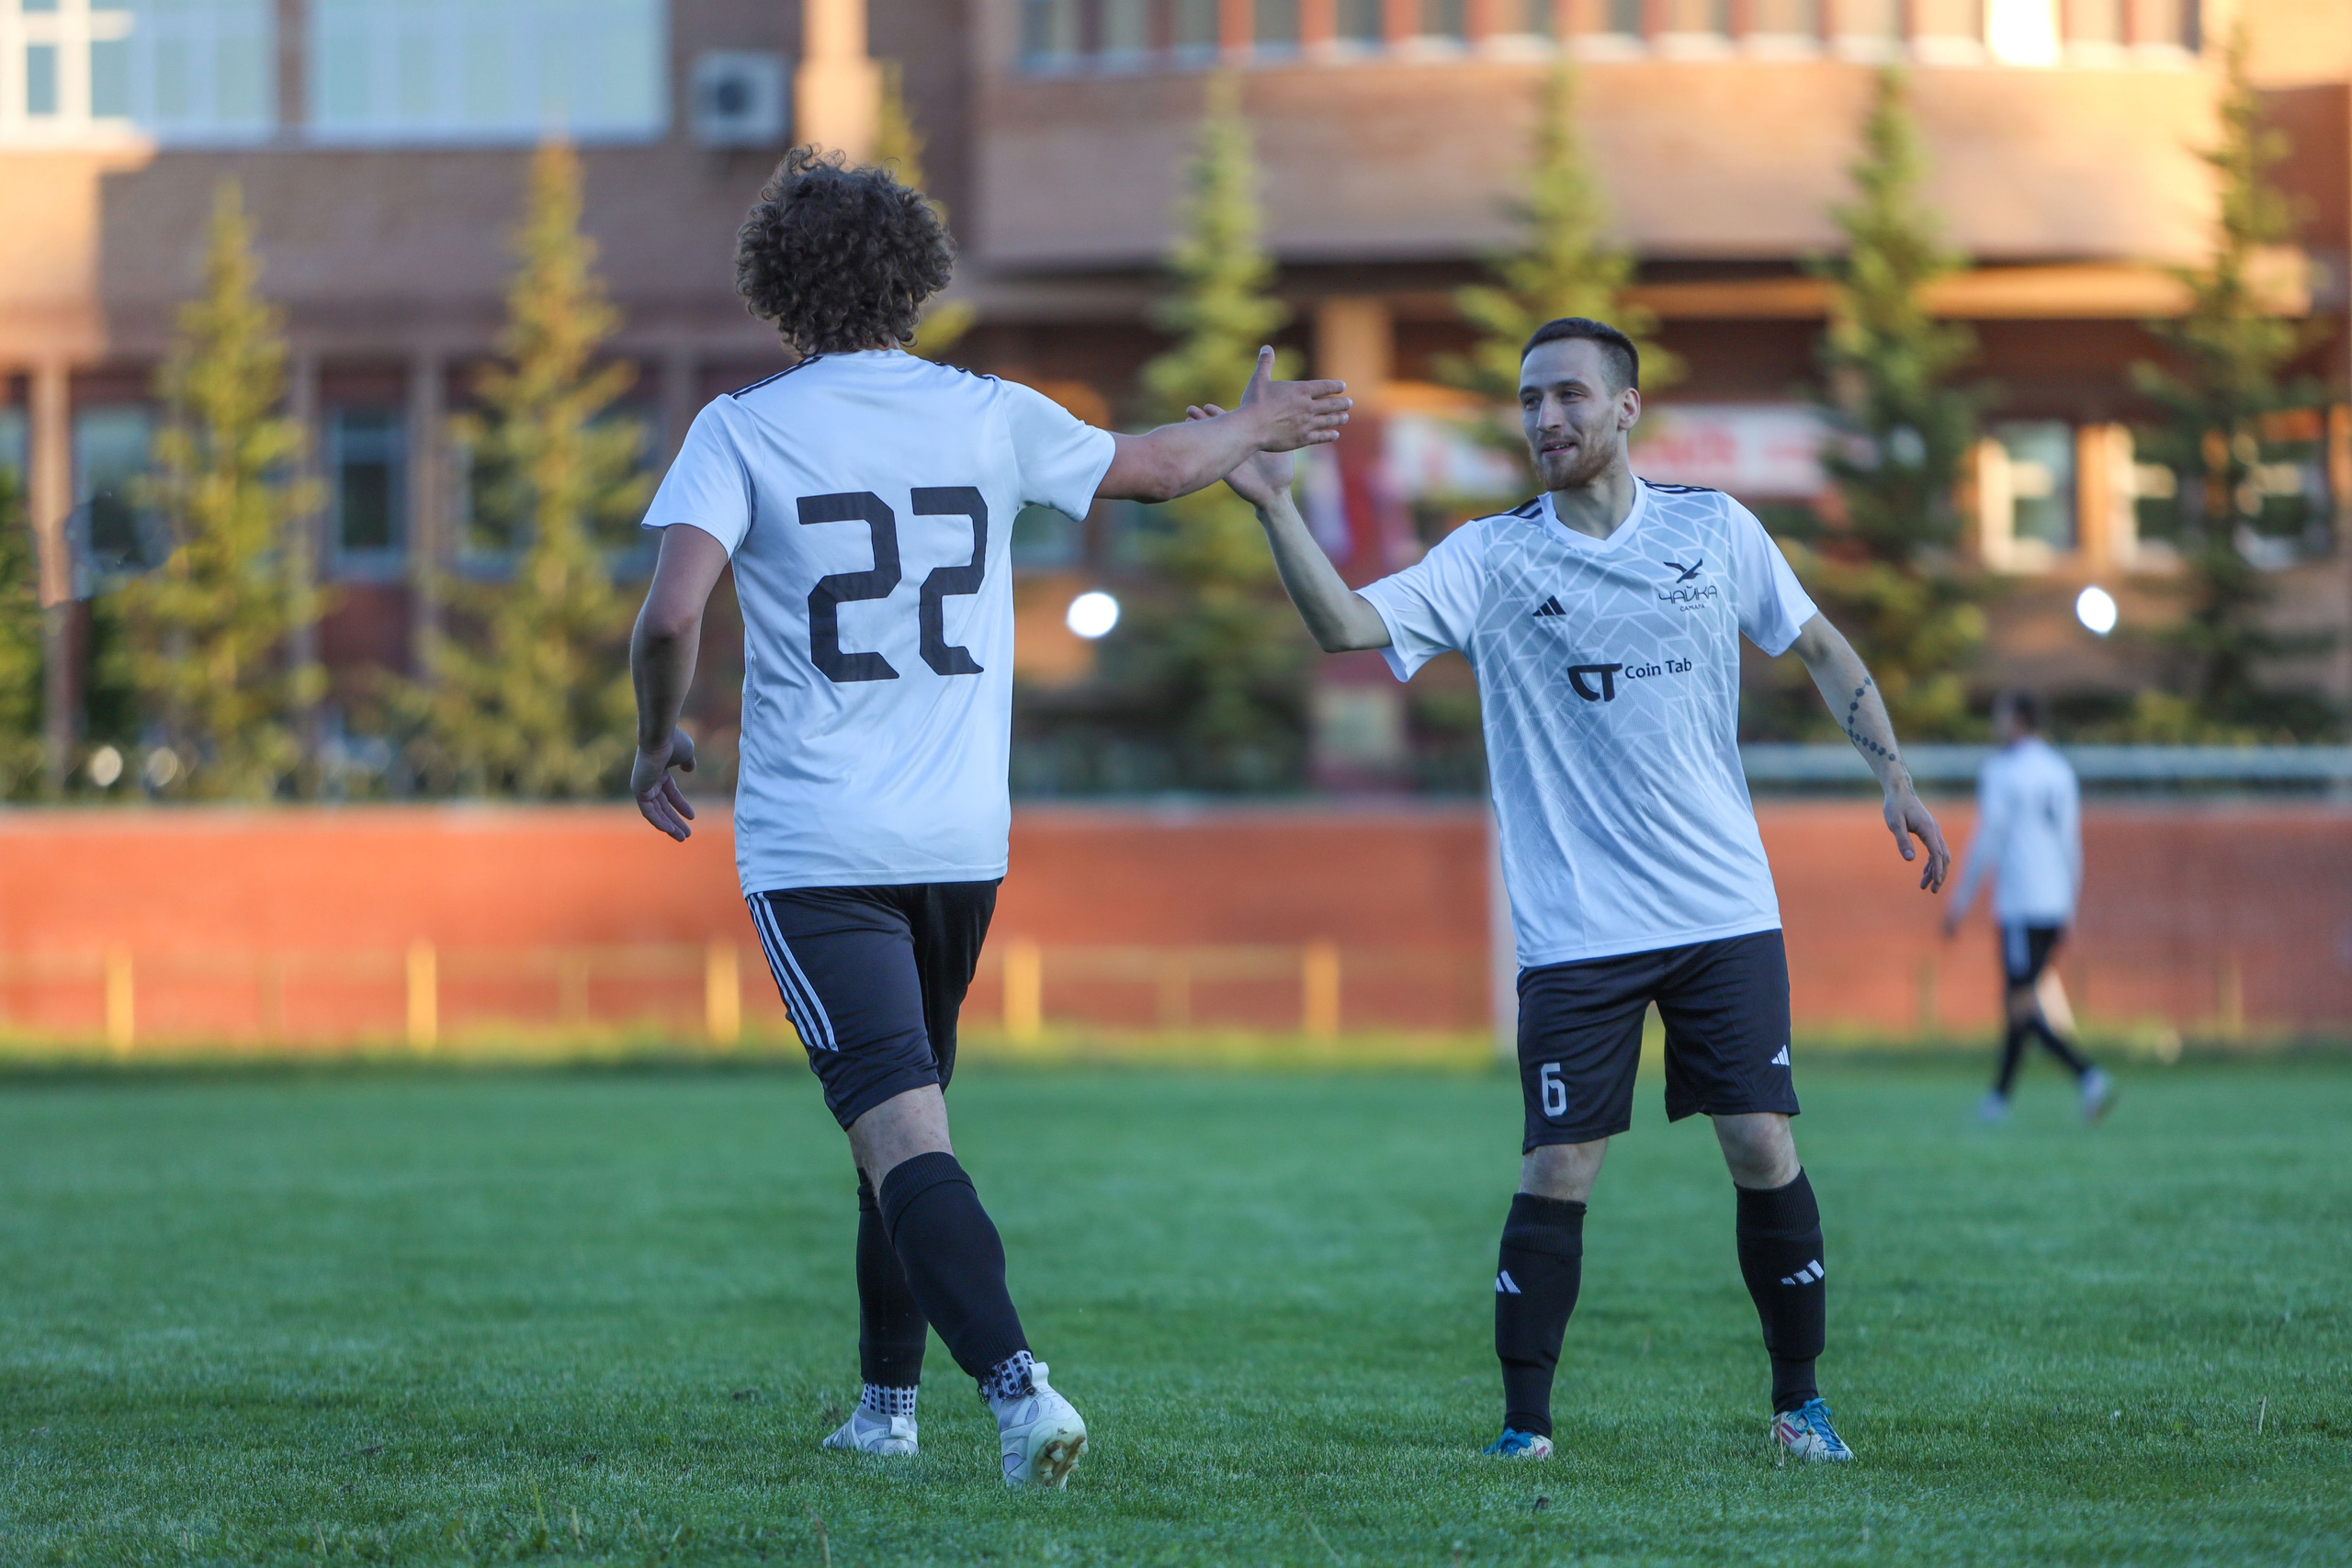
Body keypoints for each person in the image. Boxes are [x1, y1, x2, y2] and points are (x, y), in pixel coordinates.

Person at [627, 149, 1351, 1487]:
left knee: (900, 1130)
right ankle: (884, 1406)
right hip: (961, 841)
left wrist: (654, 730)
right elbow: (1157, 464)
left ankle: (1020, 1390)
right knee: (901, 1125)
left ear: (777, 290)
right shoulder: (989, 410)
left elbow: (673, 610)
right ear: (917, 278)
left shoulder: (742, 427)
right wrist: (1254, 429)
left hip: (819, 845)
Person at [1194, 316, 1950, 1464]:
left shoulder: (1716, 531)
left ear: (1625, 407)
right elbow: (1346, 625)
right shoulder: (1492, 557)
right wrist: (1275, 507)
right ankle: (1524, 1429)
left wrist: (1891, 771)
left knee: (1760, 1142)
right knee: (1558, 1165)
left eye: (1568, 396)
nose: (1546, 417)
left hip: (1721, 912)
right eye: (1530, 399)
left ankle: (1800, 1405)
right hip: (1577, 929)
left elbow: (1821, 646)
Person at [1942, 690, 2112, 1123]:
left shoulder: (2002, 771)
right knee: (2020, 1004)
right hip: (2053, 904)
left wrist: (1959, 902)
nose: (1996, 725)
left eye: (2001, 716)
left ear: (2018, 719)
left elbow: (1988, 839)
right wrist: (2070, 907)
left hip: (2020, 904)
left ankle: (2089, 1075)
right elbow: (2071, 843)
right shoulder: (2059, 770)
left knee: (2020, 1004)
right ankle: (1998, 1101)